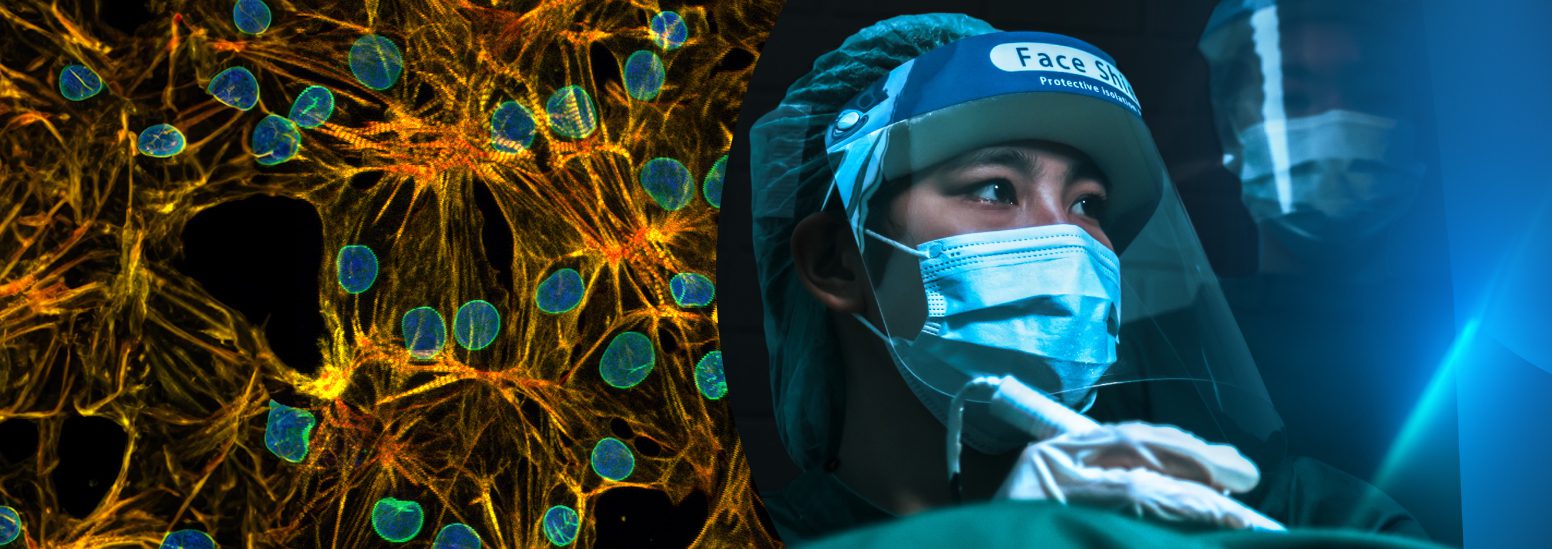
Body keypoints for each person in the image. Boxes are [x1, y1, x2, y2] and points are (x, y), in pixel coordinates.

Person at [747, 13, 1443, 547]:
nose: (1070, 235)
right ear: (836, 260)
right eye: (993, 187)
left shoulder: (1267, 510)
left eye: (1089, 203)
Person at [1198, 1, 1462, 542]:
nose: (1335, 121)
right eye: (1293, 98)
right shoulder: (1175, 356)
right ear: (1231, 128)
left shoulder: (1482, 357)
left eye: (1371, 96)